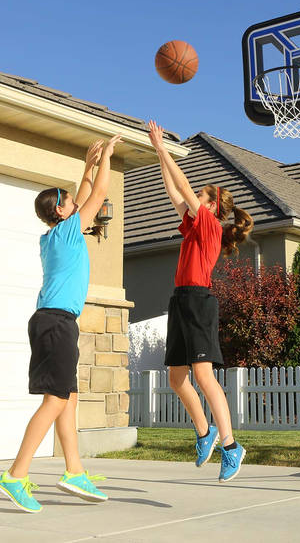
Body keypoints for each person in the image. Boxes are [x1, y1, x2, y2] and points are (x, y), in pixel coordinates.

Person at [0, 135, 123, 513]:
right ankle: (16, 475)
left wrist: (87, 164)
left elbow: (84, 191)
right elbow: (99, 191)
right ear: (63, 210)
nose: (75, 200)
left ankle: (74, 471)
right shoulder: (69, 230)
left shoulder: (53, 234)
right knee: (56, 401)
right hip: (56, 323)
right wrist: (107, 160)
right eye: (68, 200)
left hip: (52, 321)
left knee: (66, 401)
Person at [147, 120, 253, 483]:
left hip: (199, 302)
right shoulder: (194, 224)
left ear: (211, 205)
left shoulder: (210, 226)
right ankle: (205, 433)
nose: (195, 202)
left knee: (203, 376)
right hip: (181, 300)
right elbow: (173, 192)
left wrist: (163, 148)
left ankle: (231, 445)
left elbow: (185, 187)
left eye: (202, 199)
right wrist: (158, 154)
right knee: (177, 378)